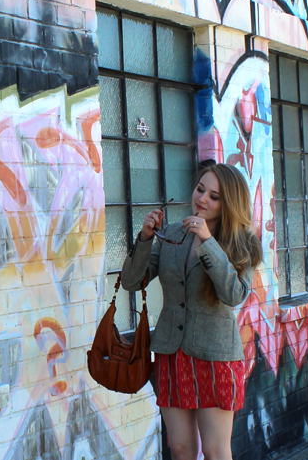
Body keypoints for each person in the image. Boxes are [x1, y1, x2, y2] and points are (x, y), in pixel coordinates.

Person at [120, 162, 262, 460]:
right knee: (181, 449)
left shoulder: (242, 242)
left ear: (229, 204)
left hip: (215, 356)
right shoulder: (172, 234)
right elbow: (132, 282)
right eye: (200, 190)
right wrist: (145, 238)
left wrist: (208, 241)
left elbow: (234, 294)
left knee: (215, 451)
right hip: (171, 354)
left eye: (214, 196)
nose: (202, 199)